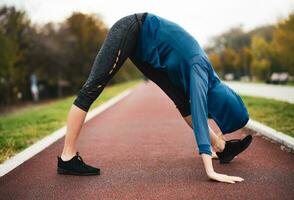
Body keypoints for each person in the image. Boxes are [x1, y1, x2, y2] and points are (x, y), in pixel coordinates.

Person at [57, 12, 252, 183]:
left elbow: (196, 107)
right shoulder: (199, 69)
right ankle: (67, 158)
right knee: (92, 87)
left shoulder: (210, 77)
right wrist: (210, 170)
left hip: (148, 51)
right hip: (132, 29)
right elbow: (199, 112)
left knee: (183, 101)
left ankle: (220, 146)